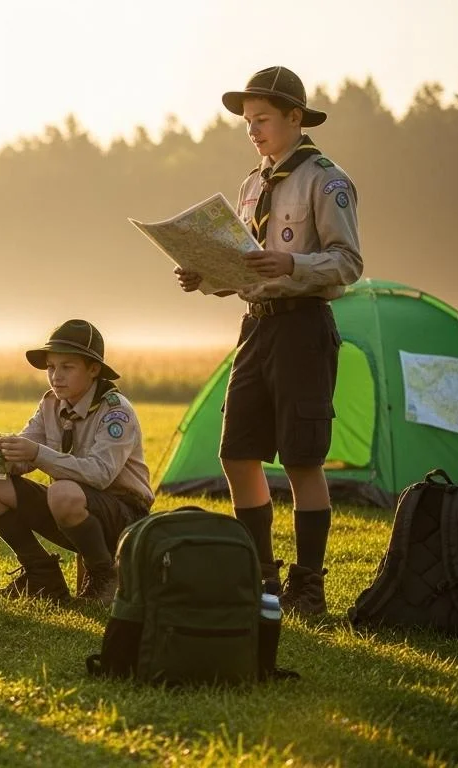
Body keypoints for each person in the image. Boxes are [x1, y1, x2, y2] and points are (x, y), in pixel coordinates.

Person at [175, 66, 363, 616]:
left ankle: (309, 585)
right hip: (256, 326)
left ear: (295, 119)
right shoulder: (251, 184)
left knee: (303, 459)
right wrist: (205, 277)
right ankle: (262, 576)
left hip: (304, 326)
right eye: (247, 122)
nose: (253, 130)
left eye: (262, 120)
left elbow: (349, 263)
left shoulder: (327, 180)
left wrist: (292, 262)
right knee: (237, 453)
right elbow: (242, 265)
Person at [0, 320, 153, 605]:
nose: (56, 376)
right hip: (70, 509)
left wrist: (36, 453)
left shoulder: (116, 411)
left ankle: (106, 577)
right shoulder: (51, 405)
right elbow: (24, 457)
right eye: (51, 367)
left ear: (93, 370)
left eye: (67, 367)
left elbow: (100, 474)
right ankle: (40, 574)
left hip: (124, 516)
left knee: (62, 491)